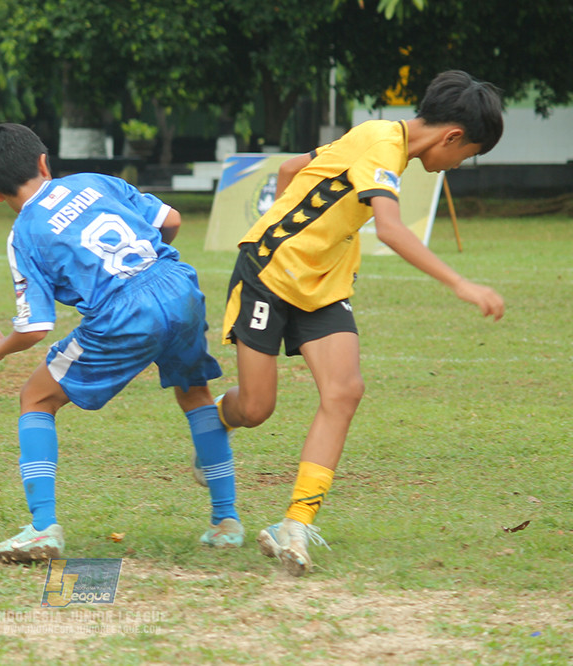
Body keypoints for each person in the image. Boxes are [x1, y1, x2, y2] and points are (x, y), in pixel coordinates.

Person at [214, 70, 506, 576]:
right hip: (267, 276)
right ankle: (213, 421)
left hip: (324, 286)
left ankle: (295, 525)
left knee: (345, 391)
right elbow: (390, 229)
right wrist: (461, 284)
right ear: (453, 136)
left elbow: (289, 170)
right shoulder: (381, 144)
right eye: (467, 154)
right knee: (256, 408)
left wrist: (321, 240)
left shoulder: (378, 137)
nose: (458, 164)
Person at [0, 123, 240, 564]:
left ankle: (42, 529)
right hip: (177, 285)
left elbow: (36, 326)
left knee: (36, 398)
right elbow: (170, 220)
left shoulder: (24, 233)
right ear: (44, 162)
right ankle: (226, 521)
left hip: (124, 311)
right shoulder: (93, 181)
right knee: (195, 393)